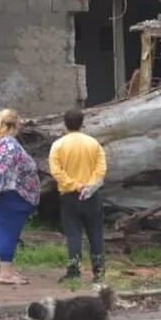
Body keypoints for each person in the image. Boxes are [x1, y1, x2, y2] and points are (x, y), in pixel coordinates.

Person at [0, 108, 40, 285]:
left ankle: (6, 268)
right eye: (20, 121)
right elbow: (2, 170)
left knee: (2, 230)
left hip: (1, 194)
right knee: (9, 232)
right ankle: (5, 274)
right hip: (11, 195)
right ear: (15, 124)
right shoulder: (9, 145)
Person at [49, 108, 107, 282]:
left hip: (69, 196)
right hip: (91, 195)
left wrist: (74, 185)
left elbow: (56, 171)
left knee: (73, 233)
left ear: (65, 124)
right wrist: (89, 185)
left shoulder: (58, 145)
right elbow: (101, 168)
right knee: (95, 232)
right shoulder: (93, 143)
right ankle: (99, 271)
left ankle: (74, 271)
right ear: (82, 123)